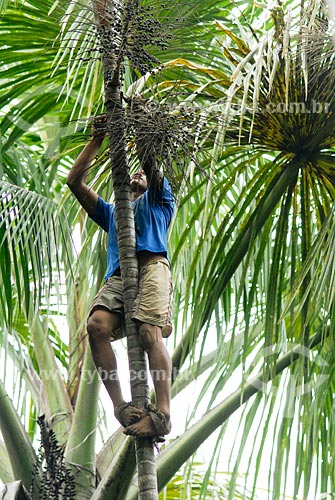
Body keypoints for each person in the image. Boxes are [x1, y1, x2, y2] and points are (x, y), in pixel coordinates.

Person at [66, 110, 174, 440]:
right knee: (96, 326)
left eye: (143, 173)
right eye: (134, 173)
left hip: (153, 267)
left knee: (147, 332)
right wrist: (97, 140)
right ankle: (120, 407)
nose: (138, 174)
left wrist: (141, 124)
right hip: (118, 278)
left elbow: (151, 163)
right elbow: (74, 182)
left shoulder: (161, 199)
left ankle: (164, 413)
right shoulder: (114, 214)